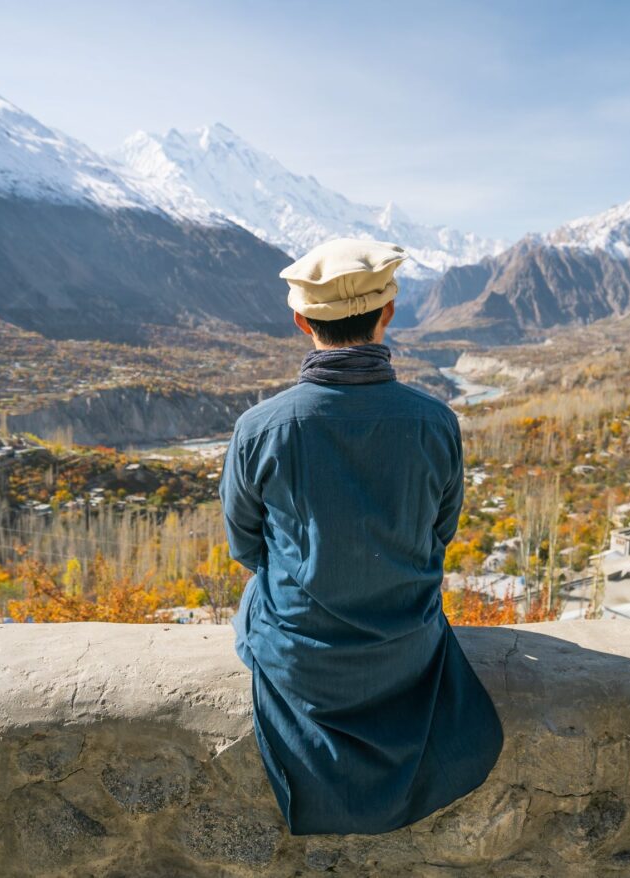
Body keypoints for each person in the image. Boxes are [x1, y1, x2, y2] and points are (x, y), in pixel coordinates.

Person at [219, 238, 503, 836]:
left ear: (301, 321)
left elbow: (247, 546)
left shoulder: (260, 428)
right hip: (408, 650)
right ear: (389, 313)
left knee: (253, 600)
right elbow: (440, 534)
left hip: (300, 660)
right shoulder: (435, 421)